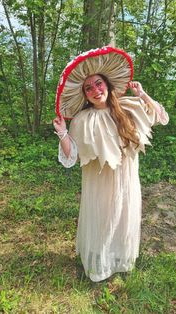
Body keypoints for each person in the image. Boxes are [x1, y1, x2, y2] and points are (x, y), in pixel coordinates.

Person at [53, 46, 169, 282]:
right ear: (84, 95)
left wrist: (143, 94)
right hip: (99, 182)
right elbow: (71, 156)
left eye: (98, 84)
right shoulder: (82, 120)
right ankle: (99, 266)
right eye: (89, 88)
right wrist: (63, 133)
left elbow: (160, 117)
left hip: (126, 179)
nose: (95, 90)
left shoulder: (127, 107)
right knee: (103, 219)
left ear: (107, 84)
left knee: (123, 217)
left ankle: (120, 261)